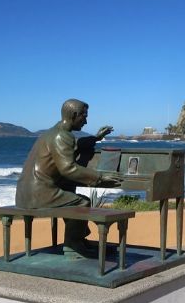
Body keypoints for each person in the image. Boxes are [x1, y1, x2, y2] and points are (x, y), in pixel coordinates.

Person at [15, 98, 123, 256]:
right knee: (82, 202)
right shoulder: (62, 136)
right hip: (38, 194)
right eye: (84, 116)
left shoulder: (53, 133)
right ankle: (73, 245)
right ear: (74, 115)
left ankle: (77, 240)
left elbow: (75, 146)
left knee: (70, 195)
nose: (86, 121)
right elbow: (69, 169)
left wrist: (96, 138)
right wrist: (99, 177)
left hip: (26, 192)